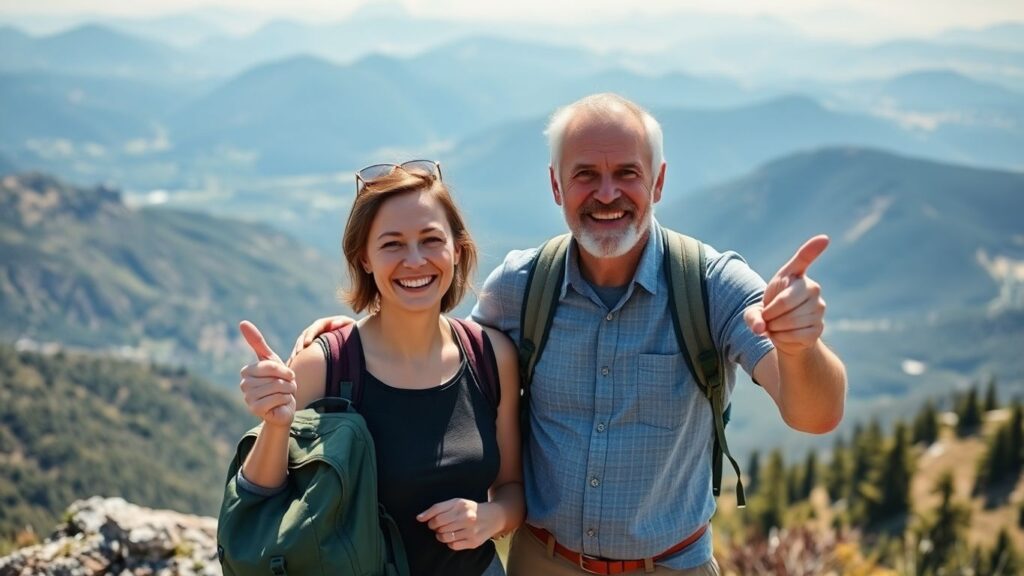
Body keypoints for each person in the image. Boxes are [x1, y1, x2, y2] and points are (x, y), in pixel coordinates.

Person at [292, 94, 847, 575]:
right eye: (586, 174)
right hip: (542, 563)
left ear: (658, 180)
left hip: (673, 566)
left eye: (627, 172)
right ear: (557, 185)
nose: (607, 193)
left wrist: (801, 348)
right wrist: (354, 336)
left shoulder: (711, 285)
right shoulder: (521, 287)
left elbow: (815, 414)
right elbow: (446, 358)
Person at [236, 161, 524, 576]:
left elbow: (512, 490)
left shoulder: (491, 357)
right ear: (364, 258)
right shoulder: (326, 365)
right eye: (392, 244)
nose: (415, 260)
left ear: (456, 250)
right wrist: (276, 424)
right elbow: (260, 497)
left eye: (431, 240)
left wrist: (490, 519)